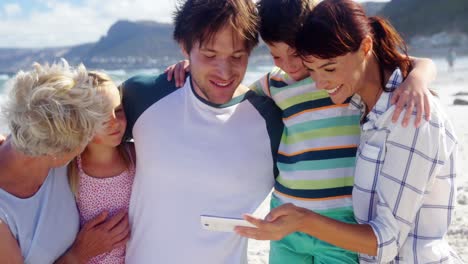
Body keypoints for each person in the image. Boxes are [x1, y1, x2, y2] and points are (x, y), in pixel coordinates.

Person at [165, 0, 437, 262]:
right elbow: (231, 93)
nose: (290, 65)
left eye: (295, 53)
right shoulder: (275, 84)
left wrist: (417, 79)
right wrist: (194, 65)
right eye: (276, 55)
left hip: (339, 220)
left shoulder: (342, 79)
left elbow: (413, 62)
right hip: (284, 216)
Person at [235, 0, 462, 263]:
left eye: (327, 68)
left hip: (367, 239)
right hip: (306, 225)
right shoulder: (354, 99)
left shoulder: (402, 112)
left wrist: (418, 77)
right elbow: (234, 96)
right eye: (313, 70)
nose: (318, 82)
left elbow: (385, 241)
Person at [121, 1, 283, 263]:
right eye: (209, 55)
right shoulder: (142, 97)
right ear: (185, 47)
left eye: (237, 56)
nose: (225, 71)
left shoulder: (272, 121)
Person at [0, 61, 130, 264]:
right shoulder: (4, 215)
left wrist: (185, 72)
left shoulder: (36, 133)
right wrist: (79, 254)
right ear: (58, 151)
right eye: (86, 136)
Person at [67, 71, 135, 264]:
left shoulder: (136, 155)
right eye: (102, 116)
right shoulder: (70, 165)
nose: (115, 122)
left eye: (119, 110)